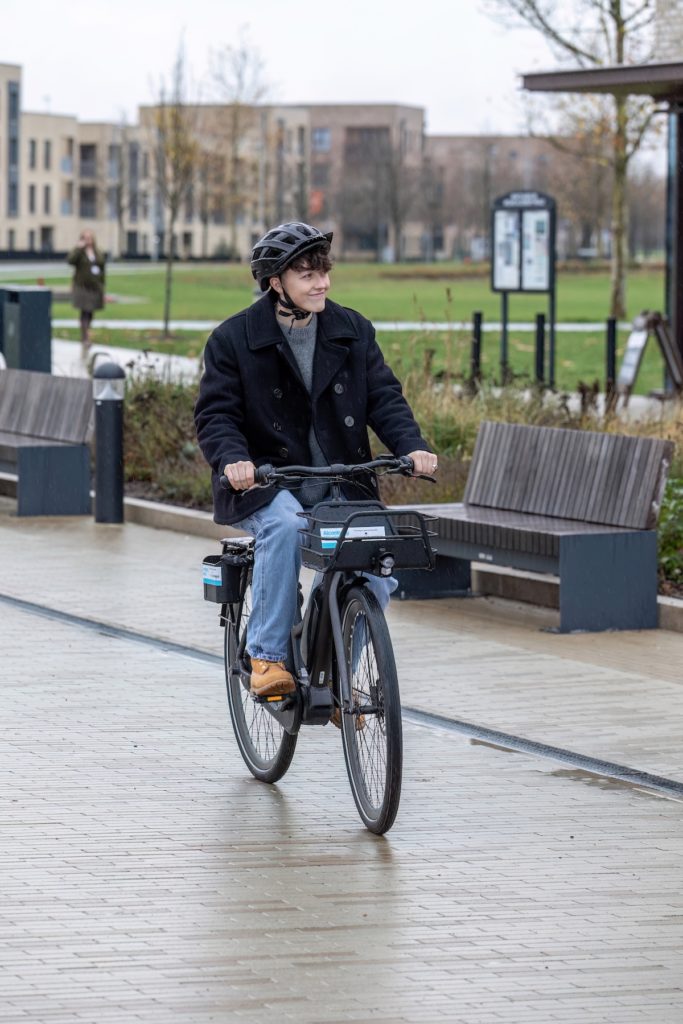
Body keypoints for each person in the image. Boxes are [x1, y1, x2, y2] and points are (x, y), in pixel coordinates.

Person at [194, 221, 437, 699]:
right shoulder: (233, 339)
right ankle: (267, 655)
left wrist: (411, 445)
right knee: (285, 526)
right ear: (275, 282)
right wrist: (234, 460)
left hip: (342, 481)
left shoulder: (352, 330)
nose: (321, 283)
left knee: (377, 563)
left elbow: (384, 397)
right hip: (267, 482)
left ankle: (339, 670)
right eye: (307, 275)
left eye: (323, 272)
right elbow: (216, 415)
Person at [67, 230, 106, 353]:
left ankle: (87, 333)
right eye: (85, 237)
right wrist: (78, 248)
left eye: (90, 237)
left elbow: (102, 268)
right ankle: (85, 337)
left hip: (94, 286)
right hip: (82, 286)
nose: (88, 240)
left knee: (90, 312)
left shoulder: (97, 252)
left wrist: (102, 285)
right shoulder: (80, 252)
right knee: (84, 311)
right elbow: (70, 261)